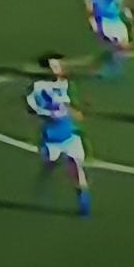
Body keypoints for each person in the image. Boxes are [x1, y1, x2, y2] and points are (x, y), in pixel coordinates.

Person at [27, 54, 92, 216]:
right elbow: (31, 107)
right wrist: (46, 113)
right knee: (51, 163)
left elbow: (68, 106)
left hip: (70, 135)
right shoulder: (37, 87)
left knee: (76, 168)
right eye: (53, 66)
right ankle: (44, 183)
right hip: (51, 138)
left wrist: (76, 112)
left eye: (58, 65)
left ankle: (84, 204)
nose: (58, 69)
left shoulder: (65, 84)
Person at [85, 0, 133, 79]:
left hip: (116, 20)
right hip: (107, 22)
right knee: (121, 48)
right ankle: (101, 68)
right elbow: (89, 1)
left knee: (122, 49)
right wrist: (92, 21)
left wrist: (125, 10)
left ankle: (104, 67)